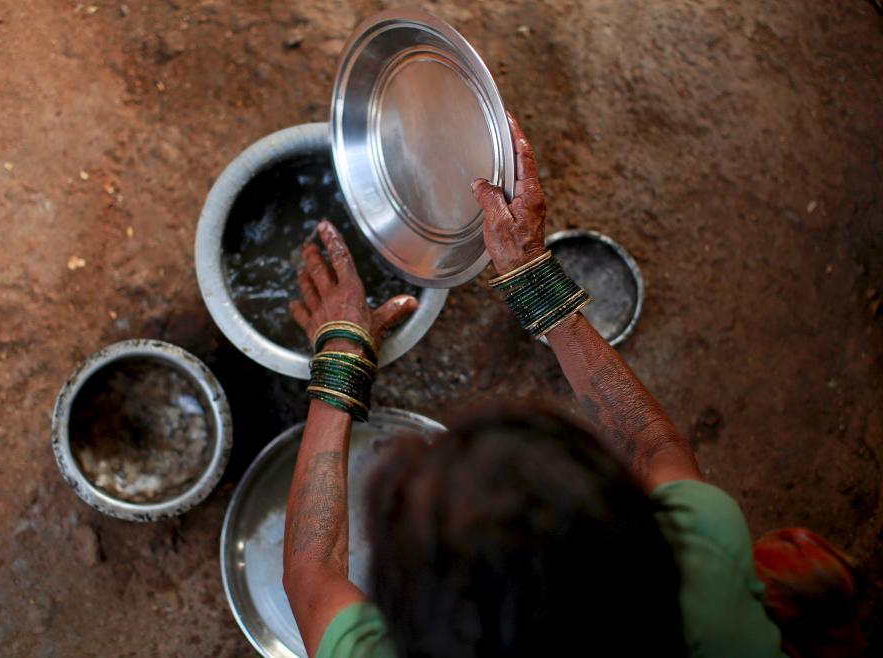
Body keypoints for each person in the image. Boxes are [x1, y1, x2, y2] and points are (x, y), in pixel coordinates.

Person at [282, 116, 857, 658]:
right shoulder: (699, 567)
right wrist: (530, 273)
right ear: (634, 533)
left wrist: (340, 352)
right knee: (772, 574)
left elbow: (311, 576)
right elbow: (656, 449)